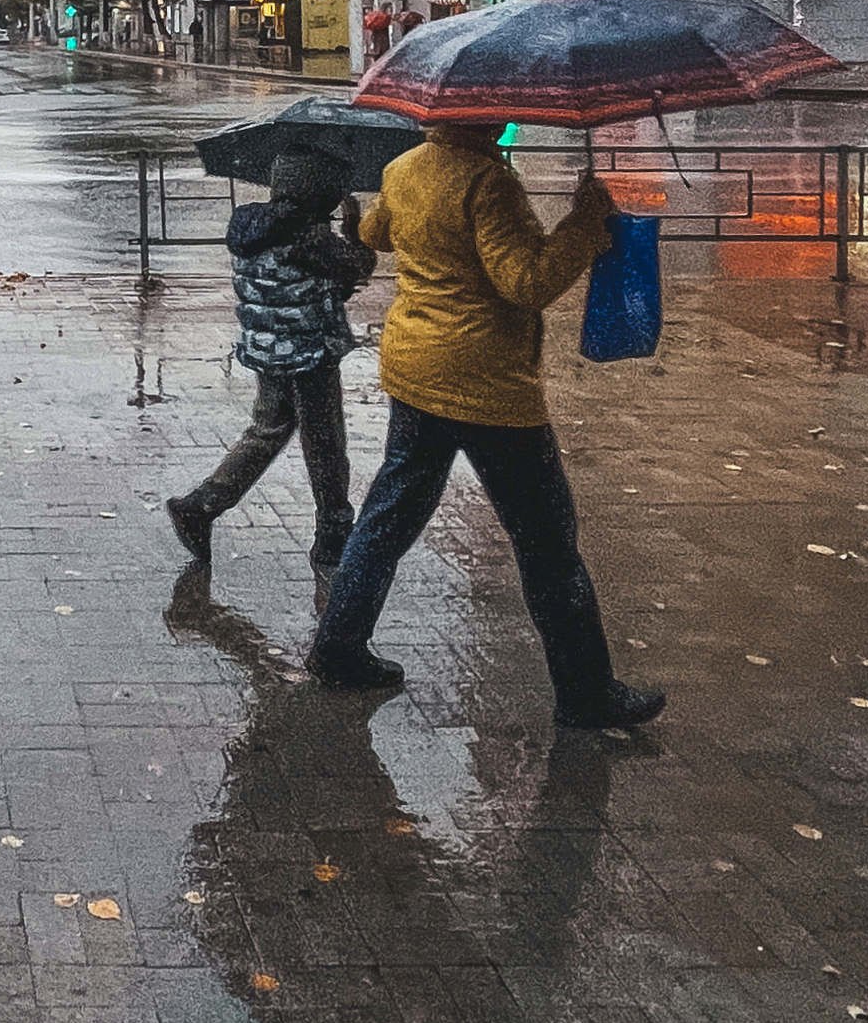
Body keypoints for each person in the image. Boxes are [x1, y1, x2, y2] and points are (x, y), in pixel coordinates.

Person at [306, 122, 662, 729]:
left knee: (390, 513)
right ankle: (586, 692)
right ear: (479, 115)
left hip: (417, 365)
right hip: (486, 384)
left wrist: (362, 219)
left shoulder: (405, 167)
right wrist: (583, 225)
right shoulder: (488, 182)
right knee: (547, 541)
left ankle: (338, 645)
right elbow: (525, 284)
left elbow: (378, 232)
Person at [166, 145, 375, 606]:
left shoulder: (251, 228)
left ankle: (201, 506)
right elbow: (359, 268)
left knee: (267, 431)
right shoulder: (311, 238)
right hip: (309, 356)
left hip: (267, 352)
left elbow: (313, 285)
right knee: (325, 444)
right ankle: (333, 534)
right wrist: (354, 228)